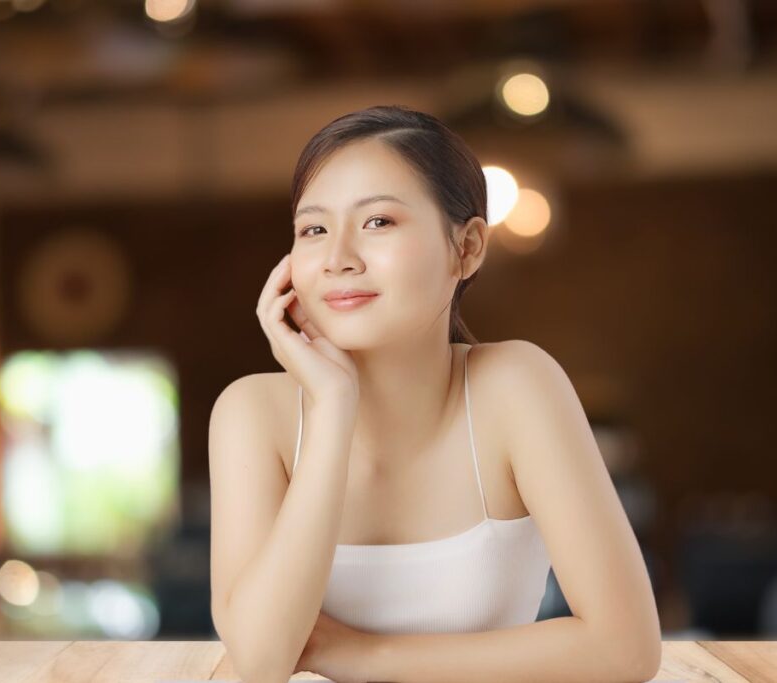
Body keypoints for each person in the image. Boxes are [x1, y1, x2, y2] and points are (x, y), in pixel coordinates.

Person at [209, 104, 662, 683]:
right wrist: (331, 409)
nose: (339, 258)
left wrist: (354, 654)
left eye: (378, 222)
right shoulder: (251, 413)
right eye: (314, 229)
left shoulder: (517, 386)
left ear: (467, 247)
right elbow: (262, 660)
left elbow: (625, 651)